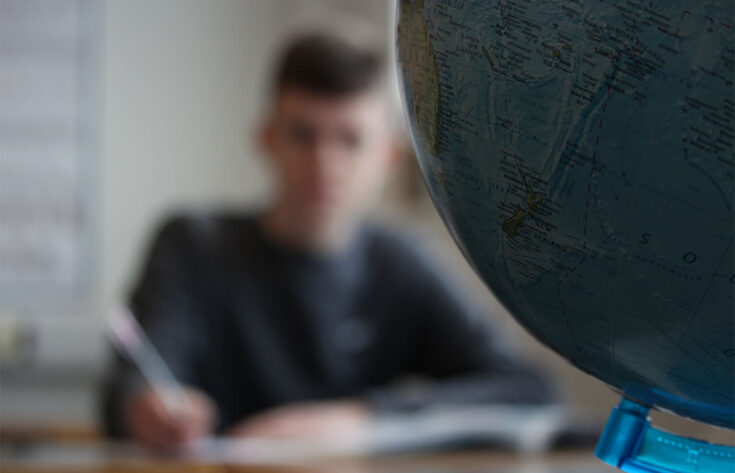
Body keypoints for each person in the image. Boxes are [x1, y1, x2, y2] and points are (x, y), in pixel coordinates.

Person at [100, 27, 557, 450]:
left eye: (350, 139)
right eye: (303, 135)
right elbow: (129, 388)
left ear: (388, 156)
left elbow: (526, 388)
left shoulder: (401, 262)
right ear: (266, 138)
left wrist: (365, 417)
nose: (324, 162)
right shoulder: (192, 244)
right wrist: (146, 408)